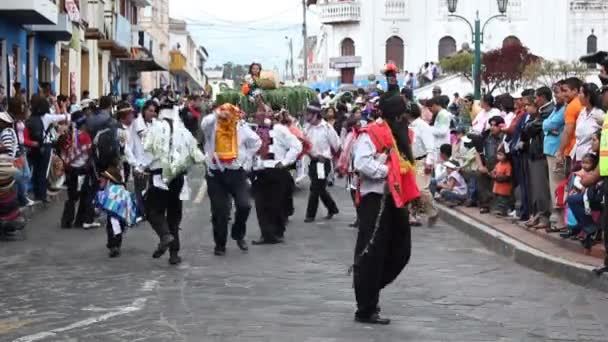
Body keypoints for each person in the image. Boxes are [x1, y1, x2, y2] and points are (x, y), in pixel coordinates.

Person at [351, 86, 415, 325]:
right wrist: (389, 171)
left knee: (401, 250)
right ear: (395, 115)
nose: (406, 119)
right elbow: (362, 163)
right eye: (403, 115)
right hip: (375, 199)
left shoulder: (403, 135)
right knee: (372, 253)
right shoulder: (372, 133)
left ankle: (369, 288)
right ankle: (366, 307)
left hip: (396, 200)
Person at [143, 98, 205, 264]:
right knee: (174, 215)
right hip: (178, 177)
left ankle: (165, 235)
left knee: (153, 211)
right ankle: (174, 254)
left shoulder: (155, 127)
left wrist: (143, 167)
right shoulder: (183, 130)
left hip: (159, 175)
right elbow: (196, 154)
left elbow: (147, 151)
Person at [201, 103, 261, 256]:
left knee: (245, 205)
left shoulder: (241, 127)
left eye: (230, 113)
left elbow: (256, 142)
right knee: (220, 211)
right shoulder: (212, 125)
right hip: (216, 173)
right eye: (225, 113)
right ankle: (220, 244)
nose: (227, 116)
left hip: (236, 172)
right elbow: (203, 124)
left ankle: (238, 233)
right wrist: (217, 114)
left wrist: (245, 159)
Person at [251, 109, 302, 244]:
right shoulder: (255, 130)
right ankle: (266, 235)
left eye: (262, 114)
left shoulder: (279, 129)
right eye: (257, 115)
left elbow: (297, 146)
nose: (259, 117)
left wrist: (285, 161)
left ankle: (277, 233)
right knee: (260, 205)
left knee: (275, 204)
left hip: (276, 170)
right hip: (260, 171)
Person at [26, 95, 70, 203]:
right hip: (45, 147)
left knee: (36, 170)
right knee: (43, 171)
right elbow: (66, 117)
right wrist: (63, 107)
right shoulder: (48, 117)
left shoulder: (31, 117)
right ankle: (42, 195)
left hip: (34, 146)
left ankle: (36, 194)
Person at [60, 111, 98, 229]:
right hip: (82, 170)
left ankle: (66, 221)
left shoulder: (69, 136)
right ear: (83, 124)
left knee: (71, 197)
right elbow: (89, 153)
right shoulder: (84, 136)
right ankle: (80, 220)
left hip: (70, 170)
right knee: (85, 195)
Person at [303, 101, 340, 223]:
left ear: (315, 114)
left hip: (322, 163)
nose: (306, 116)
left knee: (315, 188)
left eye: (308, 114)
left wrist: (332, 159)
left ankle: (310, 215)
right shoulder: (307, 128)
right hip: (312, 162)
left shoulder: (327, 128)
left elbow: (337, 145)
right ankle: (332, 208)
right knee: (320, 188)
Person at [407, 102, 438, 226]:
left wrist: (429, 162)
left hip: (421, 161)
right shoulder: (407, 126)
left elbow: (430, 147)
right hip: (409, 161)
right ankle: (413, 215)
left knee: (421, 189)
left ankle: (433, 212)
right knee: (410, 189)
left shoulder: (422, 126)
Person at [543, 81, 567, 230]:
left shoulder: (565, 109)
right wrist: (548, 127)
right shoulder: (556, 109)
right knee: (553, 185)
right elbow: (546, 125)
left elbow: (551, 124)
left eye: (557, 92)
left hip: (557, 151)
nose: (555, 96)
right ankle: (557, 217)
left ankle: (560, 218)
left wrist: (549, 126)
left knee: (558, 185)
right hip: (550, 150)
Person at [476, 116, 505, 214]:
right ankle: (485, 204)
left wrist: (496, 168)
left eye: (495, 125)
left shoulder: (504, 137)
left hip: (500, 164)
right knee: (480, 175)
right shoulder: (486, 136)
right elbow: (477, 151)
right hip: (487, 164)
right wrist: (480, 166)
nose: (492, 127)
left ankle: (499, 206)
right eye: (491, 125)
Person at [556, 77, 583, 174]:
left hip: (573, 151)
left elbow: (568, 131)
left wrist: (560, 151)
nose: (563, 94)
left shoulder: (572, 106)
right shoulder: (582, 103)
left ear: (575, 90)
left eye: (565, 91)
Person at [491, 148, 513, 216]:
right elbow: (494, 170)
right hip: (497, 186)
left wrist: (498, 177)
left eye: (501, 154)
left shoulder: (508, 165)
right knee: (497, 199)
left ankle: (503, 211)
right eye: (498, 154)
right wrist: (493, 174)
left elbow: (508, 176)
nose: (498, 156)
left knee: (503, 199)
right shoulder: (498, 164)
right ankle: (497, 209)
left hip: (504, 187)